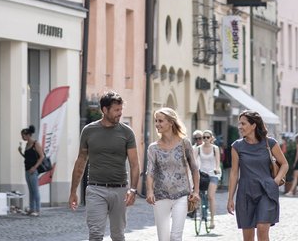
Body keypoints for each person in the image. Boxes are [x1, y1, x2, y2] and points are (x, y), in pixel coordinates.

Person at [68, 91, 140, 241]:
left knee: (118, 236)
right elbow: (81, 161)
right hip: (95, 189)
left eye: (121, 110)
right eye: (116, 110)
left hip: (120, 190)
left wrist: (133, 190)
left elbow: (134, 164)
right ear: (104, 110)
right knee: (95, 234)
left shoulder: (127, 133)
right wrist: (73, 190)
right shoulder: (88, 131)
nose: (120, 114)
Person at [227, 111, 289, 241]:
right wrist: (230, 198)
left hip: (266, 190)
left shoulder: (270, 143)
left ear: (253, 125)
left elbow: (284, 164)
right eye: (239, 124)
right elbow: (234, 173)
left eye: (243, 123)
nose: (240, 127)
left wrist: (276, 181)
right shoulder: (237, 146)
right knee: (248, 237)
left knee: (262, 228)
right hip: (245, 193)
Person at [145, 108, 200, 241]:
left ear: (170, 122)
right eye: (156, 121)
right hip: (160, 196)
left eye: (160, 121)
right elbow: (150, 171)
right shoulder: (153, 147)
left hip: (181, 195)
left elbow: (194, 168)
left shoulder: (184, 143)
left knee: (176, 236)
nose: (157, 124)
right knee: (163, 238)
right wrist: (150, 191)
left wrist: (196, 191)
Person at [196, 129, 221, 230]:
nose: (205, 139)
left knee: (211, 196)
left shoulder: (215, 148)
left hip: (213, 174)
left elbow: (218, 162)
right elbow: (193, 162)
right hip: (202, 174)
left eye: (207, 137)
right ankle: (199, 212)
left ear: (211, 138)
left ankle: (212, 220)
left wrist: (217, 169)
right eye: (203, 137)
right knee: (198, 195)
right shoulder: (198, 149)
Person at [18, 125, 44, 216]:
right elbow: (28, 158)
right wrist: (21, 152)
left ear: (28, 135)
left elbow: (41, 157)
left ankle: (37, 209)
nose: (22, 137)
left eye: (23, 136)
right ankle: (32, 209)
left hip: (33, 170)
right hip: (27, 169)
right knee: (31, 190)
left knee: (35, 190)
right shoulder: (27, 144)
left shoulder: (35, 144)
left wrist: (35, 167)